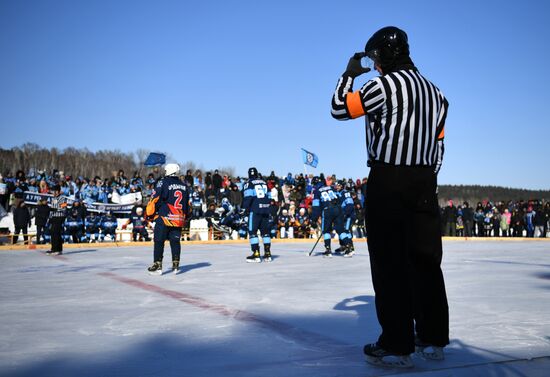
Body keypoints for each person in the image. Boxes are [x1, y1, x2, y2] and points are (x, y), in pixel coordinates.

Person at [331, 26, 449, 367]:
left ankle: (397, 345)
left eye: (374, 58)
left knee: (390, 263)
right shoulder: (437, 94)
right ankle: (433, 339)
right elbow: (439, 145)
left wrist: (347, 75)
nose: (374, 65)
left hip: (389, 179)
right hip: (425, 180)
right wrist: (426, 178)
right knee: (427, 262)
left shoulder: (382, 86)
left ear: (382, 55)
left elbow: (340, 108)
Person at [145, 163, 188, 274]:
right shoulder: (184, 185)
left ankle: (158, 264)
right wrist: (185, 217)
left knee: (159, 241)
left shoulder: (163, 182)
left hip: (165, 216)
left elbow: (155, 198)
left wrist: (150, 213)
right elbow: (187, 204)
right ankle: (176, 264)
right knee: (175, 241)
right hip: (178, 218)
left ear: (168, 171)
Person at [241, 167, 272, 262]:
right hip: (266, 209)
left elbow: (248, 197)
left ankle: (256, 254)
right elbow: (269, 196)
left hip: (255, 210)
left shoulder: (248, 183)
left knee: (252, 232)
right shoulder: (264, 182)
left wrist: (244, 208)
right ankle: (267, 254)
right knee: (265, 232)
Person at [310, 176, 341, 257]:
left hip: (327, 210)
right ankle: (348, 247)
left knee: (326, 231)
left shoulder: (316, 191)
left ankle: (328, 250)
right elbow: (339, 198)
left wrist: (314, 219)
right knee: (341, 229)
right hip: (337, 209)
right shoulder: (331, 188)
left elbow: (316, 206)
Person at [47, 185, 68, 255]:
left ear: (59, 191)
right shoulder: (53, 198)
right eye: (54, 191)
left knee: (56, 232)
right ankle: (56, 248)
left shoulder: (63, 198)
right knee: (54, 233)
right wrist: (50, 217)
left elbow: (64, 208)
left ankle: (56, 249)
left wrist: (55, 209)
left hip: (59, 217)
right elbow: (51, 209)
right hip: (54, 217)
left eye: (56, 191)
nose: (54, 193)